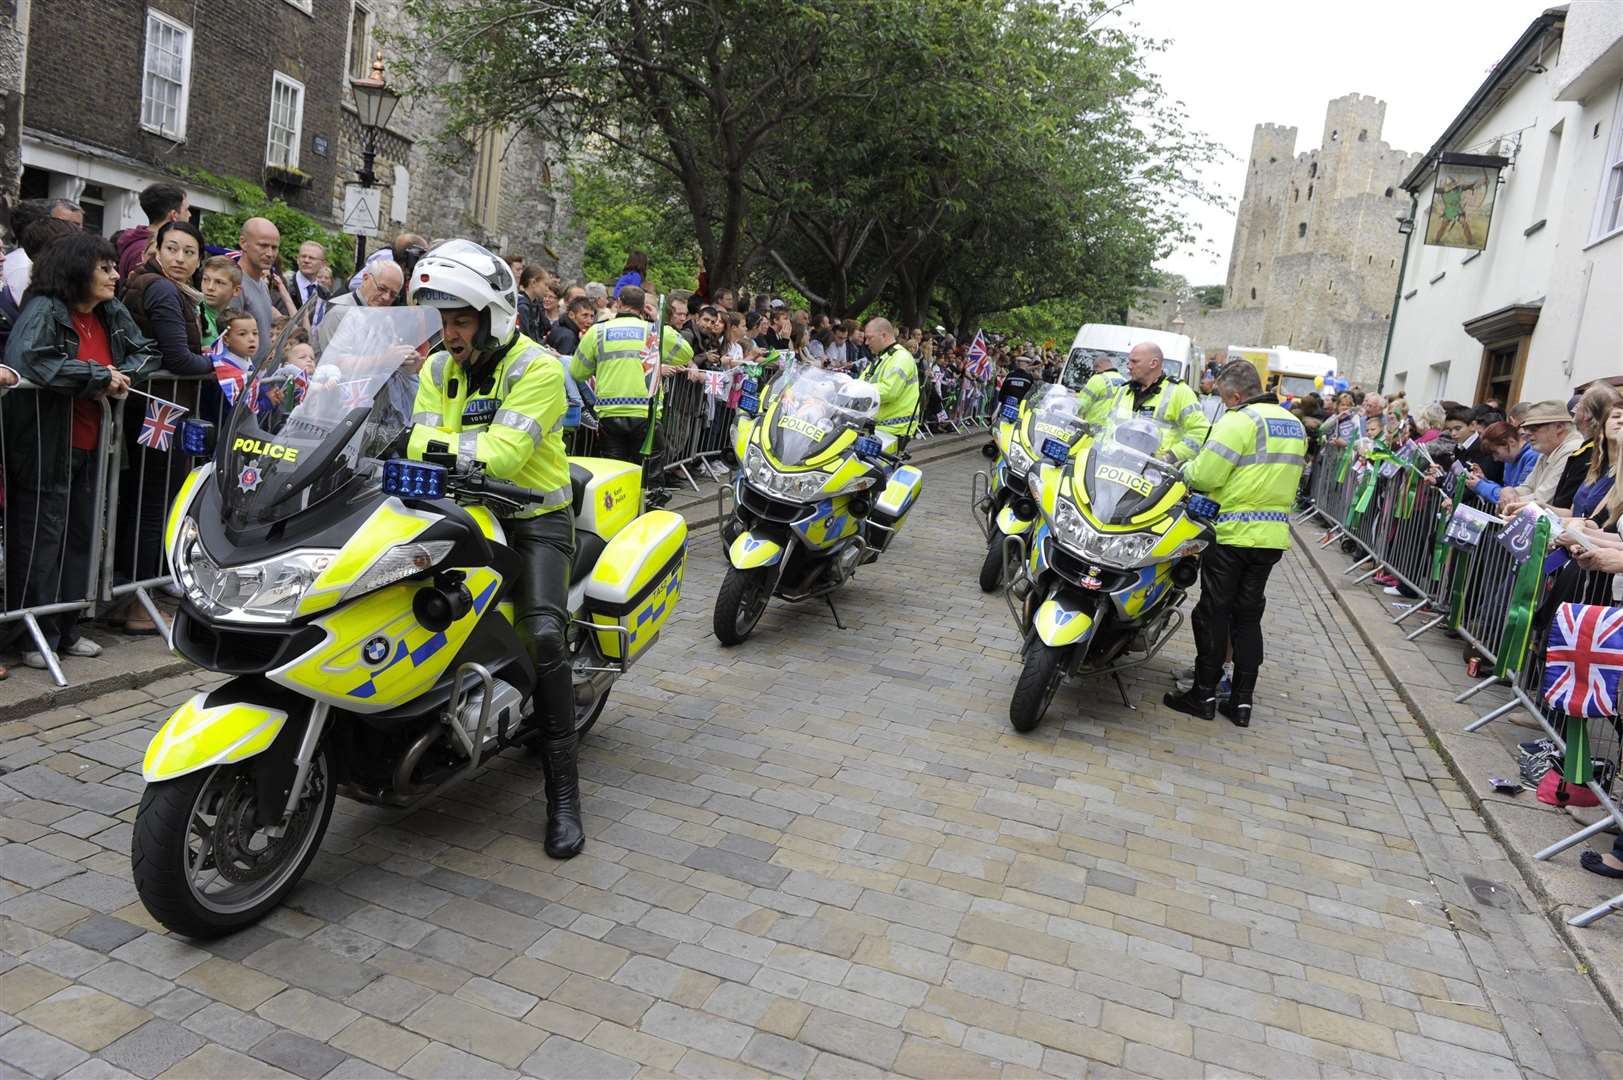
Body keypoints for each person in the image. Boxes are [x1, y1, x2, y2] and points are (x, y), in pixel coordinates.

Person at [404, 239, 583, 858]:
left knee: (544, 635)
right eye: (444, 320)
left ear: (493, 317)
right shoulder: (434, 368)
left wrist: (429, 449)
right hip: (461, 512)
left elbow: (503, 455)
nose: (449, 333)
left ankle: (563, 792)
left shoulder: (538, 369)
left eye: (461, 320)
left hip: (534, 517)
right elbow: (413, 444)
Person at [3, 231, 155, 668]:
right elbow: (31, 359)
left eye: (114, 266)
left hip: (96, 444)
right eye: (104, 267)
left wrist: (119, 374)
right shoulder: (45, 308)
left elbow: (145, 354)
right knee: (40, 539)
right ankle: (32, 634)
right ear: (76, 269)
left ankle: (68, 627)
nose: (114, 274)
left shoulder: (110, 311)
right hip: (47, 442)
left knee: (83, 537)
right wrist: (96, 376)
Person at [1164, 361, 1306, 726]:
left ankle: (1203, 695)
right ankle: (1242, 703)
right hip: (1272, 537)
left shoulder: (1240, 421)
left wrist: (1185, 472)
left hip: (1231, 534)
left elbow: (1208, 473)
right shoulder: (1294, 424)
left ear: (1237, 395)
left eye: (1226, 400)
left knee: (1212, 613)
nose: (1225, 406)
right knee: (1248, 618)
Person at [569, 284, 695, 475]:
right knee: (647, 479)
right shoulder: (654, 331)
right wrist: (660, 322)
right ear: (644, 307)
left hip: (609, 415)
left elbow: (577, 372)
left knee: (613, 477)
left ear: (619, 303)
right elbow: (685, 353)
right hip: (646, 414)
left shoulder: (598, 332)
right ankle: (646, 505)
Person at [1106, 342, 1210, 462]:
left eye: (1135, 362)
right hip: (1115, 465)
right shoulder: (1123, 390)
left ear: (1153, 363)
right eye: (1129, 361)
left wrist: (1170, 456)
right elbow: (1108, 427)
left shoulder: (1179, 392)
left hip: (1154, 472)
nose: (1129, 366)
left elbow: (1200, 431)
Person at [1500, 400, 1587, 512]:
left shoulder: (1572, 450)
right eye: (1526, 429)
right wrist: (1508, 491)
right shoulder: (1548, 449)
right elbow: (1528, 487)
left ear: (1559, 427)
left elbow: (1544, 498)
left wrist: (1508, 502)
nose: (1528, 434)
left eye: (1534, 429)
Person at [862, 317, 920, 451]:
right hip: (879, 427)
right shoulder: (883, 357)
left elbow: (889, 391)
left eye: (869, 338)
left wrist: (858, 391)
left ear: (883, 335)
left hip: (893, 429)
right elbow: (862, 382)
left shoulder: (901, 357)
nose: (866, 342)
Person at [114, 183, 189, 283]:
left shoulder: (137, 243)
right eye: (186, 209)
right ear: (174, 215)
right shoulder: (147, 249)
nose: (190, 214)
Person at [235, 217, 281, 362]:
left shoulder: (262, 284)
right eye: (263, 245)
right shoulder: (235, 284)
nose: (270, 253)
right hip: (241, 379)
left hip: (260, 379)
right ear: (243, 243)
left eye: (274, 248)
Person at [198, 255, 242, 350]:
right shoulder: (193, 312)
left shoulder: (235, 320)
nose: (210, 287)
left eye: (219, 282)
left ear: (236, 290)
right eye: (205, 279)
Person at [1076, 351, 1127, 426]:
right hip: (1112, 429)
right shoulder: (1124, 381)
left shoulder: (1097, 379)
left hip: (1093, 428)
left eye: (1095, 370)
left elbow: (1081, 405)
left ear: (1098, 367)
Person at [517, 265, 553, 341]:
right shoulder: (522, 307)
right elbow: (524, 339)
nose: (547, 290)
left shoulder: (535, 305)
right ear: (533, 283)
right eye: (545, 285)